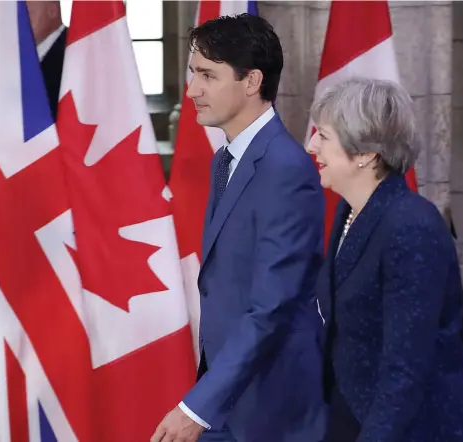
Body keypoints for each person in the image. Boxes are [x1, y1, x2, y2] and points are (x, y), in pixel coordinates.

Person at [152, 13, 326, 442]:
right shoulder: (225, 159)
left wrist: (197, 405)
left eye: (207, 75)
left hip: (270, 406)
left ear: (251, 82)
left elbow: (271, 307)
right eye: (193, 73)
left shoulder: (286, 168)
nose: (192, 90)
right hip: (230, 396)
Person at [306, 77, 463, 442]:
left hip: (412, 428)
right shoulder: (349, 212)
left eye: (324, 136)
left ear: (366, 154)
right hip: (350, 411)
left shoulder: (412, 226)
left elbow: (406, 367)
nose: (311, 145)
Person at [27, 0, 67, 120]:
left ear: (52, 11)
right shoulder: (7, 62)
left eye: (26, 14)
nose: (19, 22)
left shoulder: (76, 54)